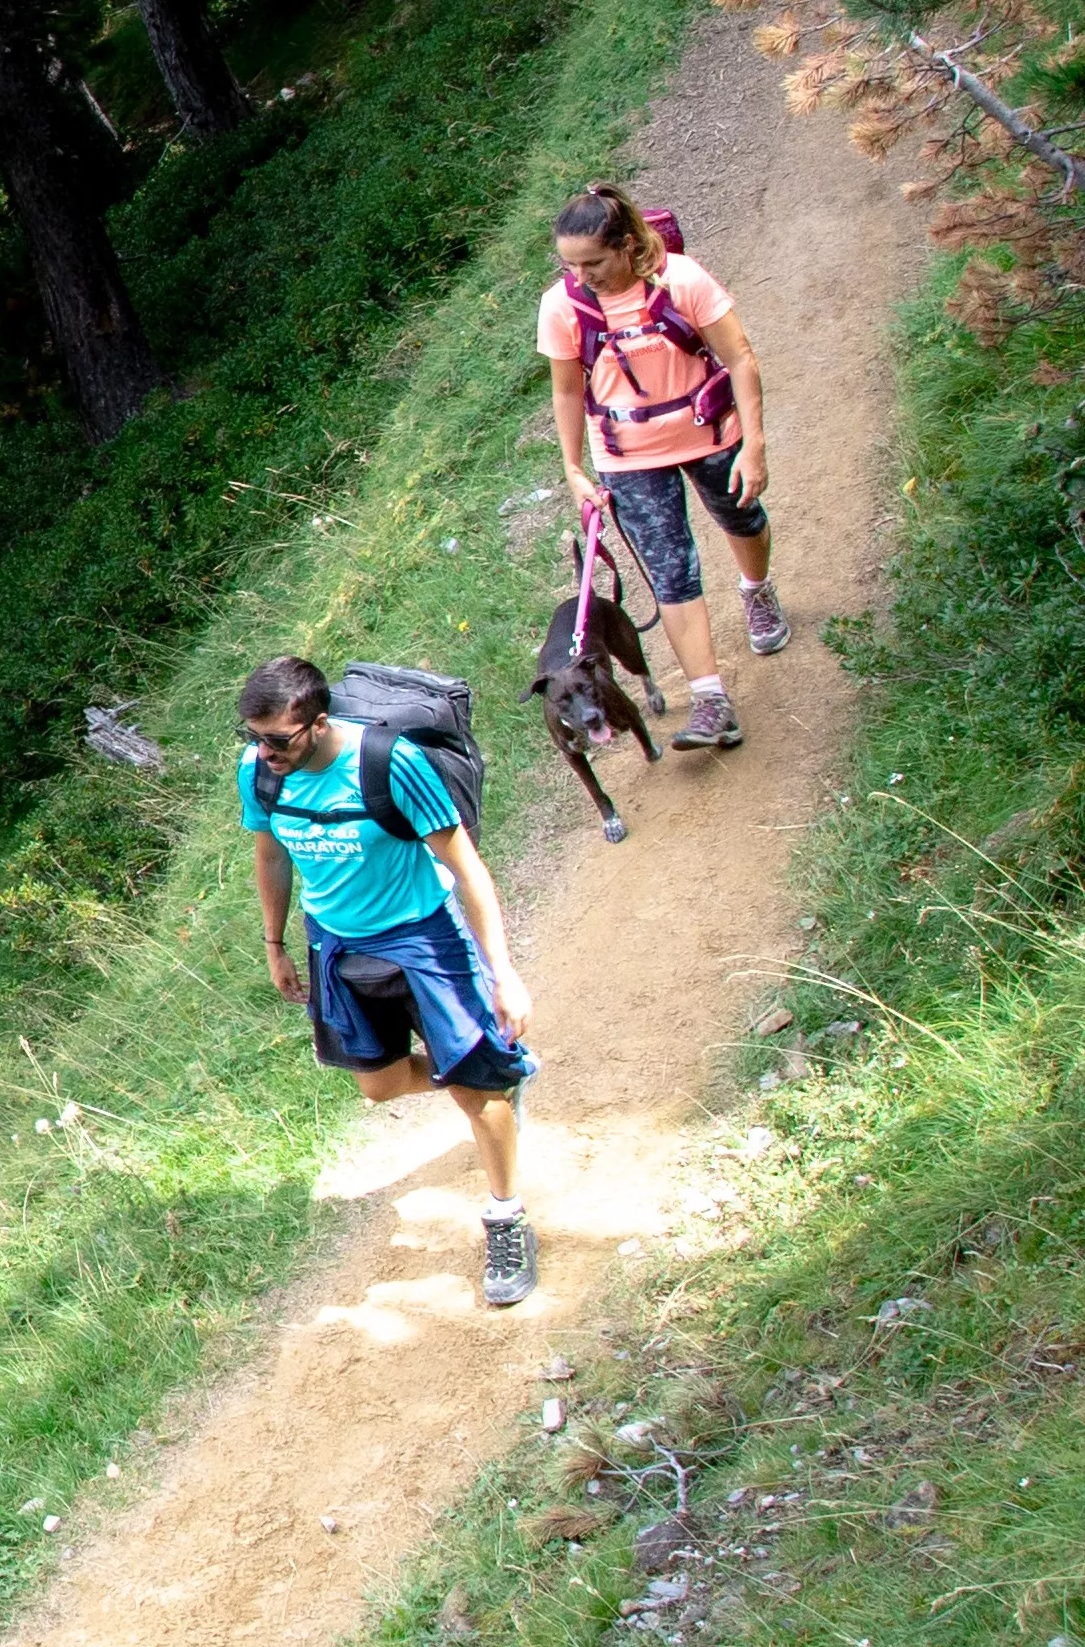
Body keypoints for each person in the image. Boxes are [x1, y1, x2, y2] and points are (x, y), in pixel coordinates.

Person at [240, 655, 547, 1309]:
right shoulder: (263, 775)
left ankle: (506, 1216)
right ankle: (489, 1067)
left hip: (422, 937)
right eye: (253, 737)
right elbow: (270, 854)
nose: (262, 752)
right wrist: (275, 944)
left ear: (319, 724)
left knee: (473, 1090)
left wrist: (504, 975)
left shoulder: (392, 765)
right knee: (377, 1087)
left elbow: (468, 871)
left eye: (276, 739)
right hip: (338, 946)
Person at [538, 184, 780, 750]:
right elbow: (568, 394)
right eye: (569, 263)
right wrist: (574, 468)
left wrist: (755, 445)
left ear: (625, 245)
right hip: (628, 454)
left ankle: (756, 589)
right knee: (672, 571)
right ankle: (710, 699)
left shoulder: (683, 280)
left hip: (710, 431)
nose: (581, 275)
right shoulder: (562, 306)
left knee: (742, 521)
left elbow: (740, 357)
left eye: (592, 262)